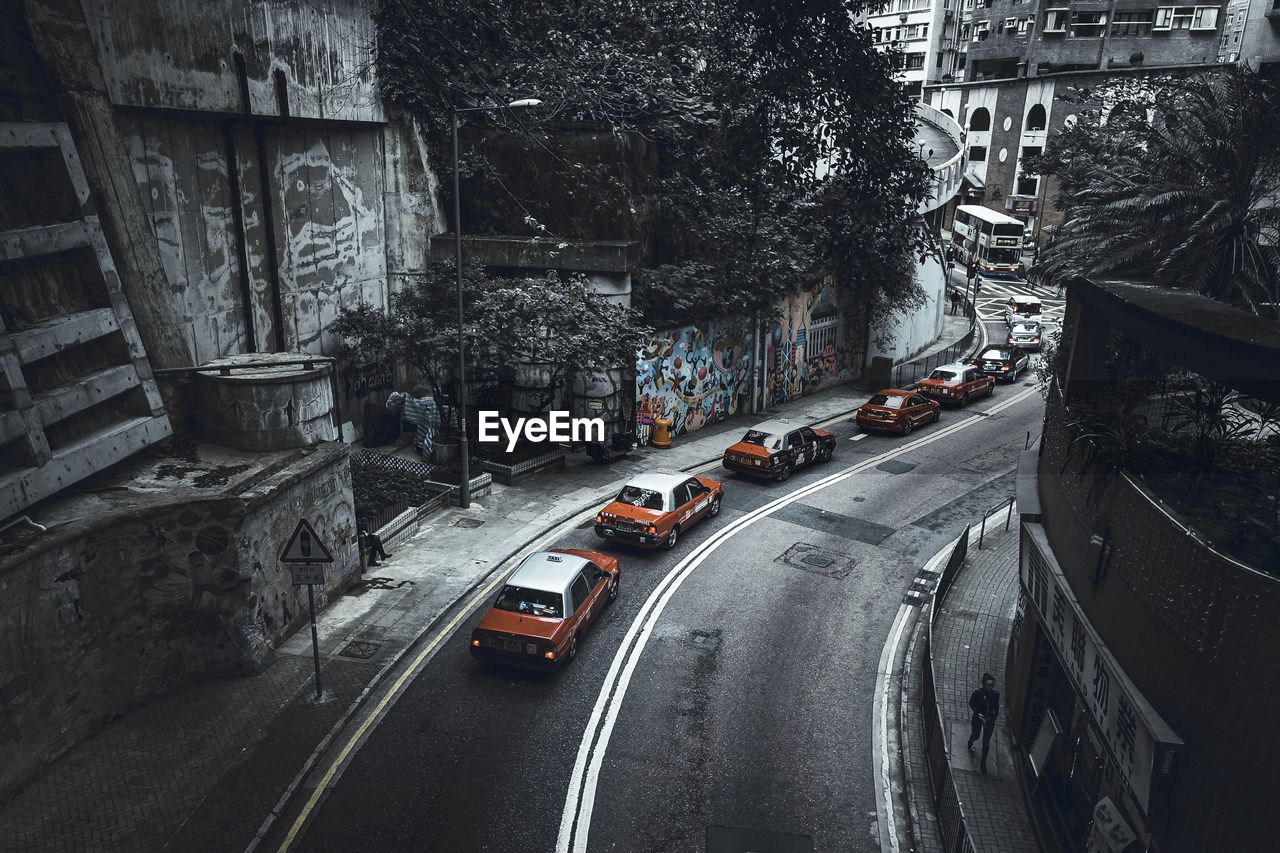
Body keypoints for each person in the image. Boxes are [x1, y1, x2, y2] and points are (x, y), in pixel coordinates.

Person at [967, 672, 1001, 774]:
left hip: (989, 720)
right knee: (976, 735)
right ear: (983, 684)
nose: (990, 687)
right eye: (988, 685)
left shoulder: (996, 695)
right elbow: (971, 703)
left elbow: (996, 707)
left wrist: (994, 717)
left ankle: (983, 763)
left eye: (992, 685)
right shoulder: (978, 693)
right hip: (978, 718)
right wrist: (978, 714)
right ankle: (970, 742)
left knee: (986, 743)